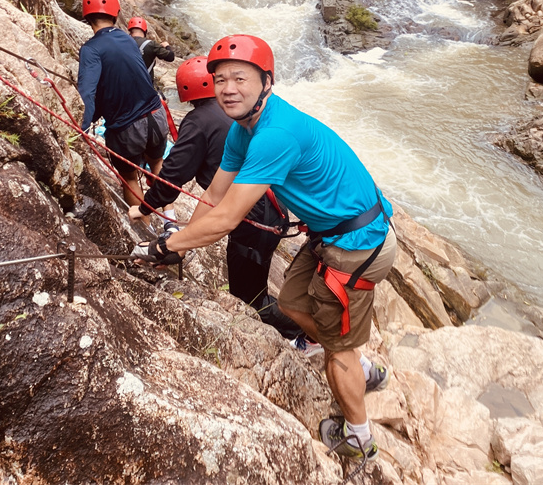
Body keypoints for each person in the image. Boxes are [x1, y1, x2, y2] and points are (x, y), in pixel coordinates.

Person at [132, 34, 395, 463]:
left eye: (239, 78)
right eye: (219, 80)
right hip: (332, 234)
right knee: (292, 303)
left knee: (338, 346)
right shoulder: (242, 130)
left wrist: (165, 247)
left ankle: (359, 437)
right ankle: (354, 361)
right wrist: (180, 247)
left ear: (266, 82)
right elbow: (214, 198)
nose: (227, 88)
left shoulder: (275, 133)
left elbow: (228, 218)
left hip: (358, 243)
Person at [129, 56, 302, 341]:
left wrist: (146, 207)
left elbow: (173, 174)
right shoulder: (235, 116)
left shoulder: (198, 122)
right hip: (267, 207)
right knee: (249, 287)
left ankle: (302, 333)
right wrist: (182, 244)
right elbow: (211, 193)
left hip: (252, 217)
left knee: (250, 298)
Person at [77, 0, 168, 207]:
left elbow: (87, 92)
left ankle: (144, 231)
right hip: (157, 115)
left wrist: (82, 127)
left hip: (127, 128)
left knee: (129, 178)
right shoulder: (128, 40)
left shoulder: (91, 50)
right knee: (156, 164)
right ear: (116, 15)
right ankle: (170, 219)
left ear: (87, 18)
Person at [127, 16, 175, 84]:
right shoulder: (151, 44)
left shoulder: (123, 43)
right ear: (145, 31)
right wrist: (167, 46)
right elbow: (170, 57)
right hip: (145, 85)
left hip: (125, 85)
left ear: (130, 32)